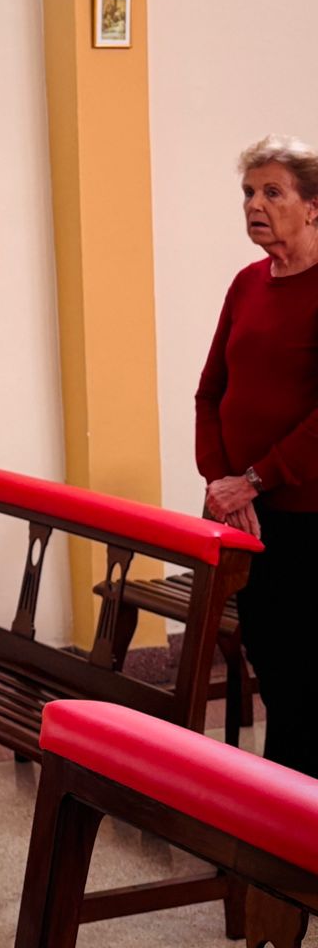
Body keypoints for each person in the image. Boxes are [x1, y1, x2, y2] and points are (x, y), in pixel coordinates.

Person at [196, 134, 318, 777]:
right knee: (271, 661)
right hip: (246, 517)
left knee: (306, 675)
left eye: (273, 192)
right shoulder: (247, 283)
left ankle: (292, 809)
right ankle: (282, 803)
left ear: (313, 206)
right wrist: (222, 483)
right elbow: (209, 392)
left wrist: (254, 479)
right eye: (249, 192)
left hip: (307, 515)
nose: (255, 204)